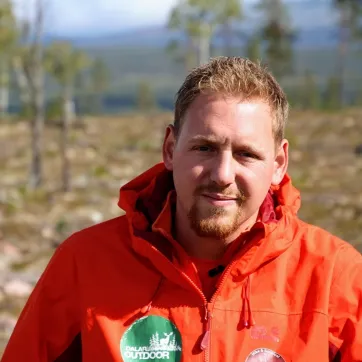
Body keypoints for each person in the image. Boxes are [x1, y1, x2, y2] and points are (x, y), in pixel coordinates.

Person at [2, 57, 361, 362]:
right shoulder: (85, 262)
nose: (222, 175)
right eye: (204, 148)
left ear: (279, 162)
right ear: (171, 149)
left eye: (246, 154)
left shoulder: (334, 275)